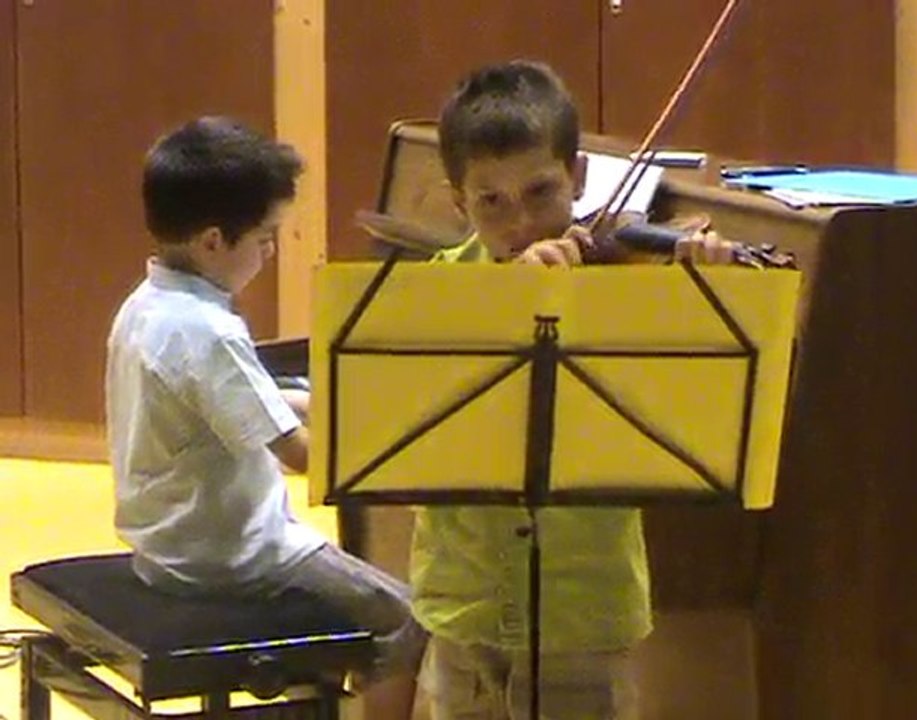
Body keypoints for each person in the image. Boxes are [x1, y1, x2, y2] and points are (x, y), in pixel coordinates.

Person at [410, 61, 736, 719]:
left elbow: (696, 402)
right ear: (457, 202)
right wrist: (507, 304)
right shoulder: (436, 294)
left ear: (580, 177)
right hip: (463, 608)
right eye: (490, 201)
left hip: (582, 614)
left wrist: (710, 290)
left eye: (541, 192)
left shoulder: (624, 287)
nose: (522, 224)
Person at [106, 116, 426, 718]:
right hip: (233, 560)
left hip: (163, 547)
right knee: (410, 615)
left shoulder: (146, 304)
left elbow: (254, 401)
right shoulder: (211, 332)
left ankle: (319, 688)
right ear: (212, 242)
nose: (272, 250)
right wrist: (400, 432)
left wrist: (345, 399)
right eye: (265, 237)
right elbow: (303, 455)